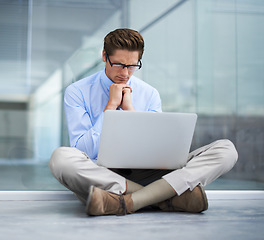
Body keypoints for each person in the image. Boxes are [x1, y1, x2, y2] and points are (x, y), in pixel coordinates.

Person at [49, 28, 238, 216]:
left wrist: (130, 111)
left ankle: (126, 201)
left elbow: (156, 150)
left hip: (149, 173)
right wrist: (111, 108)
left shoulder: (150, 93)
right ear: (104, 56)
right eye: (119, 64)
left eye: (132, 66)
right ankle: (165, 197)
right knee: (61, 158)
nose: (125, 73)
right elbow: (84, 150)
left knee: (226, 150)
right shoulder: (77, 92)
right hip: (104, 173)